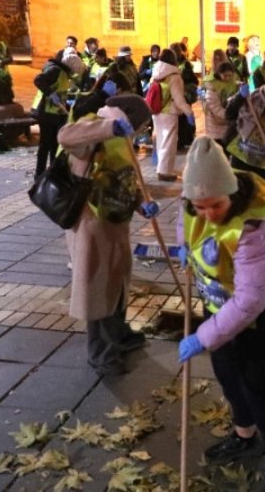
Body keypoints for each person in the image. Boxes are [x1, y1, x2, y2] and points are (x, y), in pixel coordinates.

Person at [176, 137, 265, 492]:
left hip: (262, 313)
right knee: (227, 374)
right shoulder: (191, 206)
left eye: (215, 205)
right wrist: (184, 247)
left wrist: (203, 337)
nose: (208, 214)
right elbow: (187, 223)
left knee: (257, 384)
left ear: (232, 194)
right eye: (200, 206)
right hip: (218, 306)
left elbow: (248, 303)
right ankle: (245, 434)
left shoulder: (258, 231)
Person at [57, 90, 158, 376]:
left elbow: (125, 179)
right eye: (140, 126)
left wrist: (142, 204)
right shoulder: (95, 130)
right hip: (92, 224)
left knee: (118, 284)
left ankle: (119, 335)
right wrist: (107, 128)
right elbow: (65, 135)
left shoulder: (122, 141)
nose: (141, 133)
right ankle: (101, 353)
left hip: (115, 223)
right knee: (97, 288)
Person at [31, 49, 86, 179]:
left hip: (55, 112)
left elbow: (62, 90)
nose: (73, 75)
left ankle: (48, 173)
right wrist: (50, 93)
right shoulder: (55, 71)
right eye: (73, 71)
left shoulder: (63, 73)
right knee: (47, 144)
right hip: (45, 112)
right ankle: (42, 175)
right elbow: (38, 80)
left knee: (52, 145)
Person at [150, 49, 195, 181]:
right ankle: (164, 172)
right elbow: (179, 99)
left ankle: (162, 167)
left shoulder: (156, 72)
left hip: (156, 111)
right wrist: (189, 113)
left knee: (160, 140)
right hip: (169, 113)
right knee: (169, 142)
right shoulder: (174, 76)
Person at [203, 61, 240, 143]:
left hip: (228, 122)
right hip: (215, 123)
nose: (228, 78)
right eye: (225, 75)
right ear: (219, 74)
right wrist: (229, 115)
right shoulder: (213, 87)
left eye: (230, 75)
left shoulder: (234, 84)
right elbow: (215, 107)